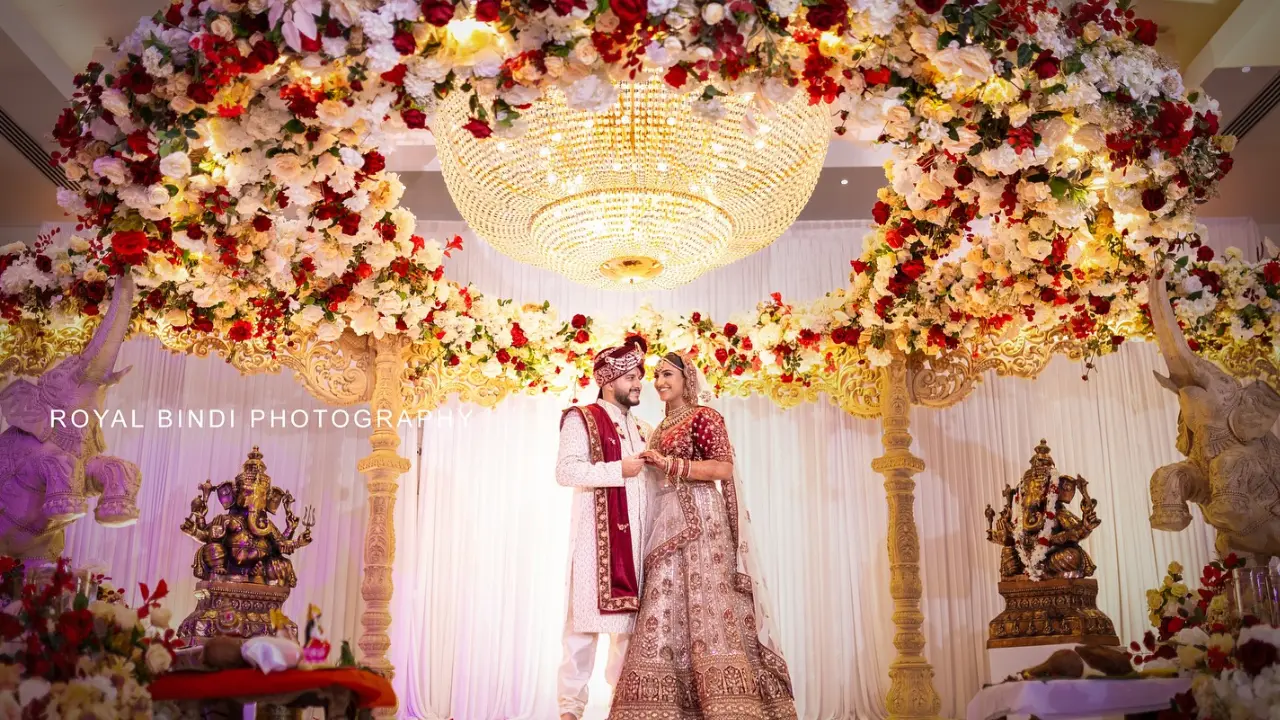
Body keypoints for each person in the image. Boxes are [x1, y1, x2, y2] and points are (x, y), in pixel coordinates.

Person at [608, 352, 796, 720]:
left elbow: (723, 467)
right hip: (665, 524)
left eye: (667, 374)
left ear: (686, 378)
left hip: (701, 522)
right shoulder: (659, 427)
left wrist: (673, 464)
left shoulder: (704, 416)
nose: (659, 381)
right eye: (656, 375)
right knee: (664, 604)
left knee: (707, 602)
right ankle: (663, 705)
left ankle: (726, 702)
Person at [555, 336, 655, 720]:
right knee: (581, 631)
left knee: (629, 635)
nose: (637, 384)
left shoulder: (644, 428)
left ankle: (621, 708)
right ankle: (569, 711)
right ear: (608, 380)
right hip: (596, 546)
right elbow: (566, 471)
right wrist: (618, 470)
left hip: (637, 546)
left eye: (639, 377)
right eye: (629, 376)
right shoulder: (580, 418)